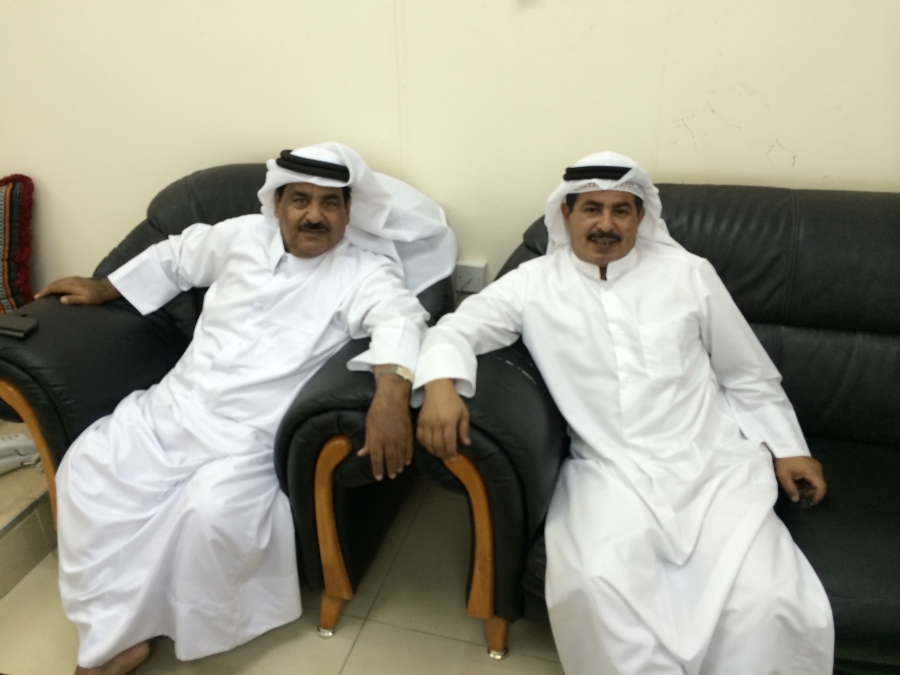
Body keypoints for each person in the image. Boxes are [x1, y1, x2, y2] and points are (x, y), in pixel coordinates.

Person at [36, 142, 456, 675]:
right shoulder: (240, 236)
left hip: (247, 437)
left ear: (349, 211)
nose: (314, 215)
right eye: (300, 199)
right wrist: (104, 286)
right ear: (277, 203)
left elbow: (400, 320)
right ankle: (111, 627)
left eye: (330, 203)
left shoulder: (364, 272)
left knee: (208, 513)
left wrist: (391, 396)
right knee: (89, 468)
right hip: (173, 406)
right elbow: (175, 257)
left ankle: (120, 641)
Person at [415, 152, 833, 674]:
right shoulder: (532, 284)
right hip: (610, 469)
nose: (606, 225)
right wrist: (440, 386)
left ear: (641, 217)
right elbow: (456, 328)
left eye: (621, 210)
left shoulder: (689, 274)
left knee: (768, 600)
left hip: (713, 464)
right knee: (594, 584)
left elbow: (746, 372)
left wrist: (789, 448)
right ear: (566, 214)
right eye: (592, 208)